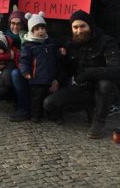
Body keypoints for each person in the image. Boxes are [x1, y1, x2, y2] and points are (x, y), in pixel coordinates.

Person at [44, 10, 120, 139]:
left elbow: (116, 69)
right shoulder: (71, 44)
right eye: (75, 27)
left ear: (90, 25)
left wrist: (88, 73)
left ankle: (98, 121)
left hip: (104, 88)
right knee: (49, 103)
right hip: (82, 87)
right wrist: (58, 78)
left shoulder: (107, 42)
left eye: (82, 26)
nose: (79, 31)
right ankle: (89, 107)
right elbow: (68, 69)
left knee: (105, 85)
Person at [18, 12, 61, 122]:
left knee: (51, 97)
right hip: (36, 78)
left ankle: (52, 115)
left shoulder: (51, 42)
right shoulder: (28, 45)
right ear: (31, 31)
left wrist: (61, 51)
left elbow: (57, 58)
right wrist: (25, 72)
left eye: (43, 28)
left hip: (51, 78)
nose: (41, 31)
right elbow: (23, 60)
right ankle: (36, 115)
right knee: (36, 99)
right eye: (37, 29)